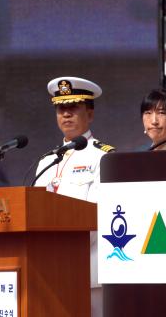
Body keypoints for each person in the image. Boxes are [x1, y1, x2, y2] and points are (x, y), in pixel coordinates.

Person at [34, 76, 115, 317]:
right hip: (50, 268)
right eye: (61, 108)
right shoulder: (46, 161)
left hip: (90, 269)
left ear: (89, 114)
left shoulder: (104, 156)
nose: (66, 114)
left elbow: (99, 213)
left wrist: (64, 249)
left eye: (73, 107)